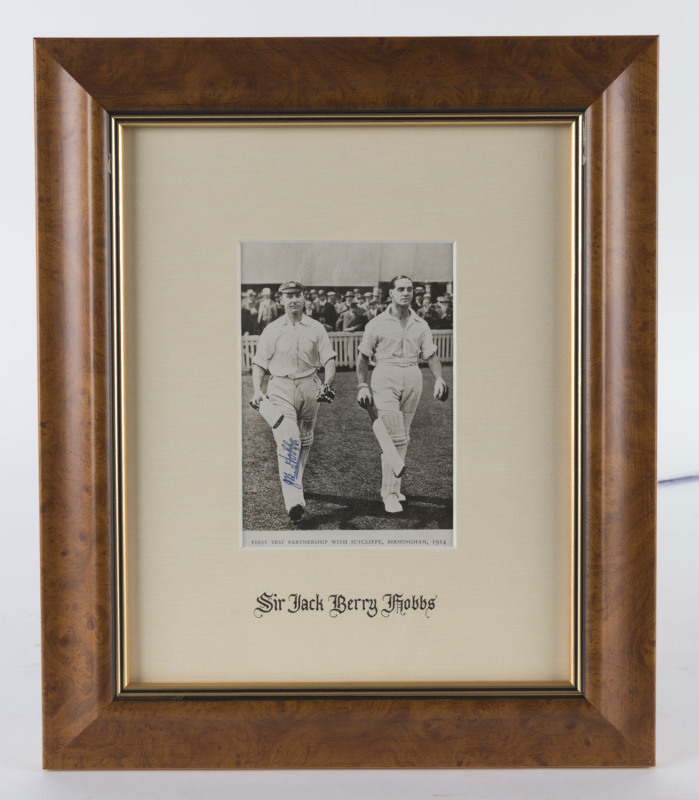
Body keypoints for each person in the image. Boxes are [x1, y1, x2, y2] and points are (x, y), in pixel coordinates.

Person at [356, 275, 449, 513]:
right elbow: (364, 356)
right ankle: (388, 493)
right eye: (400, 289)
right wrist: (362, 385)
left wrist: (439, 378)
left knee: (403, 435)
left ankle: (394, 488)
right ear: (391, 294)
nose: (405, 293)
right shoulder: (376, 323)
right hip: (385, 375)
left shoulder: (420, 324)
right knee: (393, 435)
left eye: (409, 289)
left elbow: (430, 355)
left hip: (413, 377)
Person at [251, 281, 337, 522]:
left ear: (304, 298)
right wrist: (258, 390)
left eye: (297, 295)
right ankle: (294, 501)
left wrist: (328, 383)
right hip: (280, 386)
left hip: (310, 385)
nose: (294, 300)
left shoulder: (316, 327)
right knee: (288, 439)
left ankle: (295, 482)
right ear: (281, 301)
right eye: (288, 296)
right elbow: (259, 363)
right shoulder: (272, 329)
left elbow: (329, 359)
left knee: (304, 438)